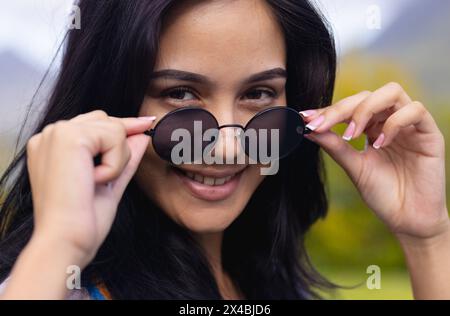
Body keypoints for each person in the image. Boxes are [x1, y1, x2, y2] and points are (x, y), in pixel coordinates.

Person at [0, 0, 448, 300]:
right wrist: (59, 246)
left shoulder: (270, 285)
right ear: (108, 105)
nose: (230, 145)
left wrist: (425, 236)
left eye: (259, 93)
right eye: (180, 94)